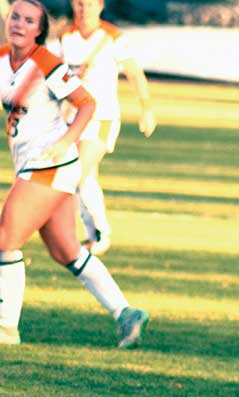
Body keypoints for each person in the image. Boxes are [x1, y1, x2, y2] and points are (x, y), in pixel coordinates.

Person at [0, 0, 148, 346]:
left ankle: (5, 328)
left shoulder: (46, 63)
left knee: (5, 239)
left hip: (50, 165)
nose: (19, 24)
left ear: (39, 30)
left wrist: (65, 140)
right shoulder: (3, 58)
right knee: (66, 251)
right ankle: (126, 313)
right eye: (15, 17)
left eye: (29, 20)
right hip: (34, 166)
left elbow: (87, 103)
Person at [55, 0, 156, 256]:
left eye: (88, 4)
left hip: (103, 118)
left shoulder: (112, 37)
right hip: (71, 120)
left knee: (78, 172)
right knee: (85, 178)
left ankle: (97, 233)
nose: (83, 9)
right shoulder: (65, 37)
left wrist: (146, 109)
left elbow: (134, 72)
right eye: (78, 4)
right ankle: (95, 235)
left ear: (99, 6)